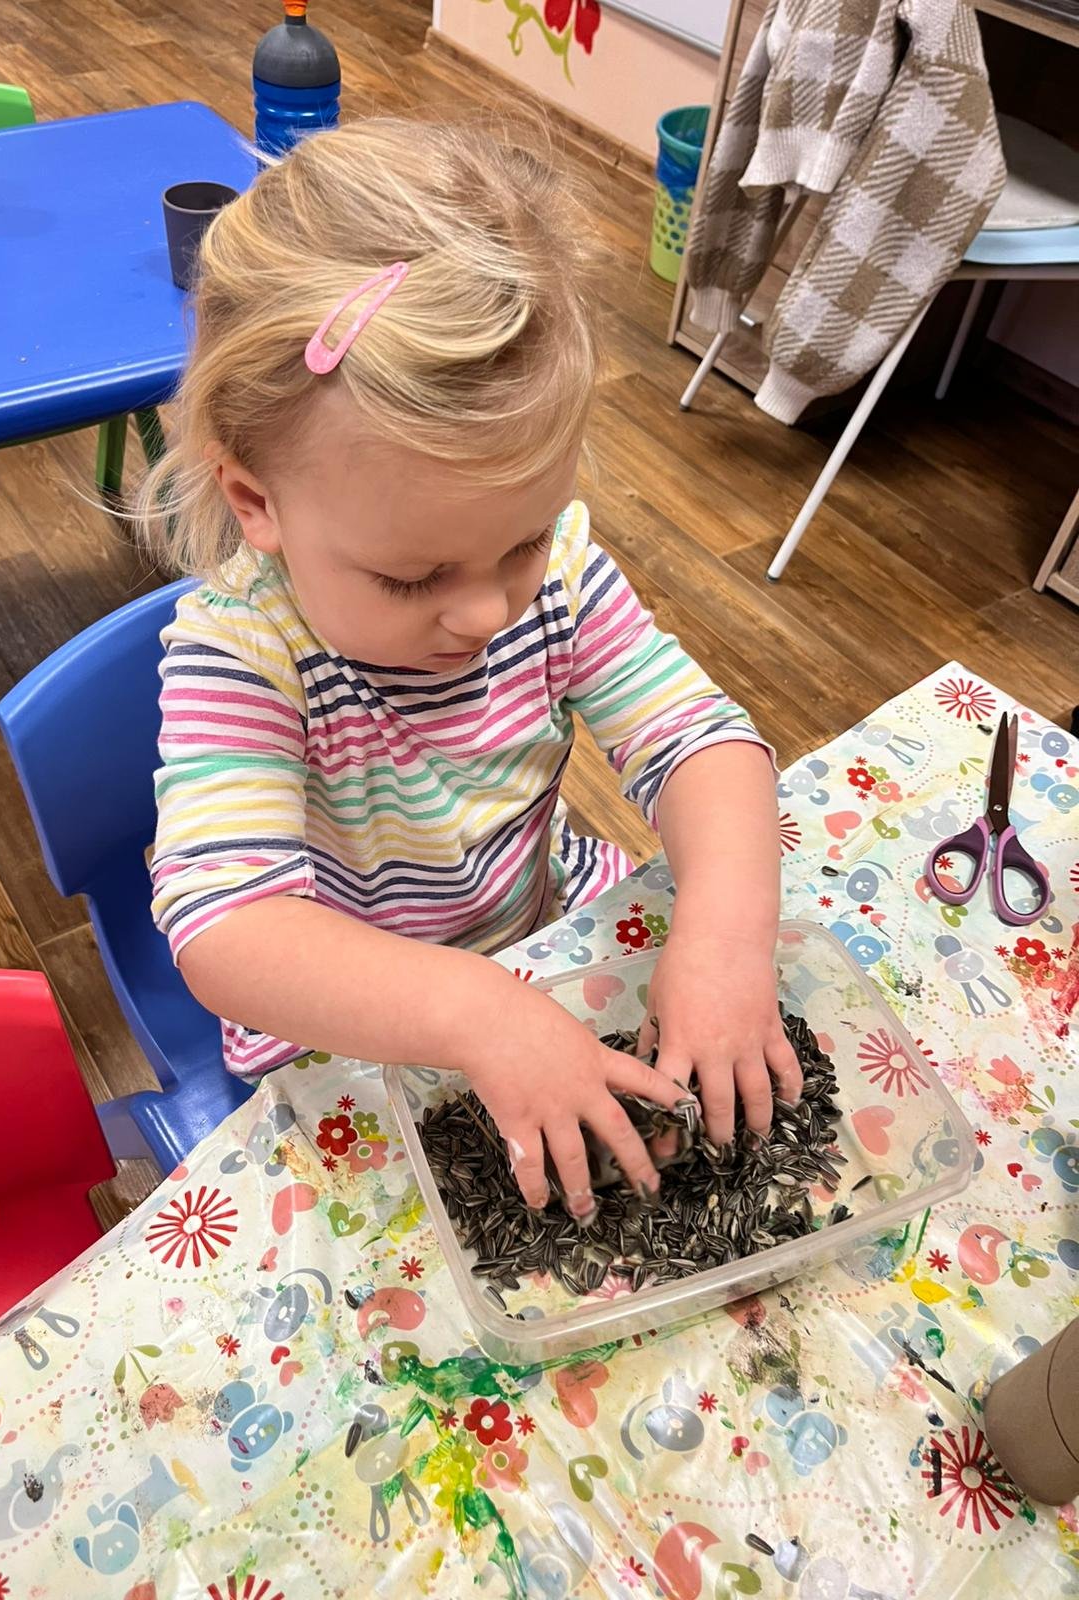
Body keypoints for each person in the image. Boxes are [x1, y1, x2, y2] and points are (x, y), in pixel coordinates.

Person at [141, 117, 801, 1224]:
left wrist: (728, 942)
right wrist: (477, 1013)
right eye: (414, 577)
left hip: (538, 930)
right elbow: (231, 932)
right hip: (347, 1032)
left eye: (522, 539)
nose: (490, 611)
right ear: (256, 501)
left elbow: (703, 743)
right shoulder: (243, 656)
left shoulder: (561, 579)